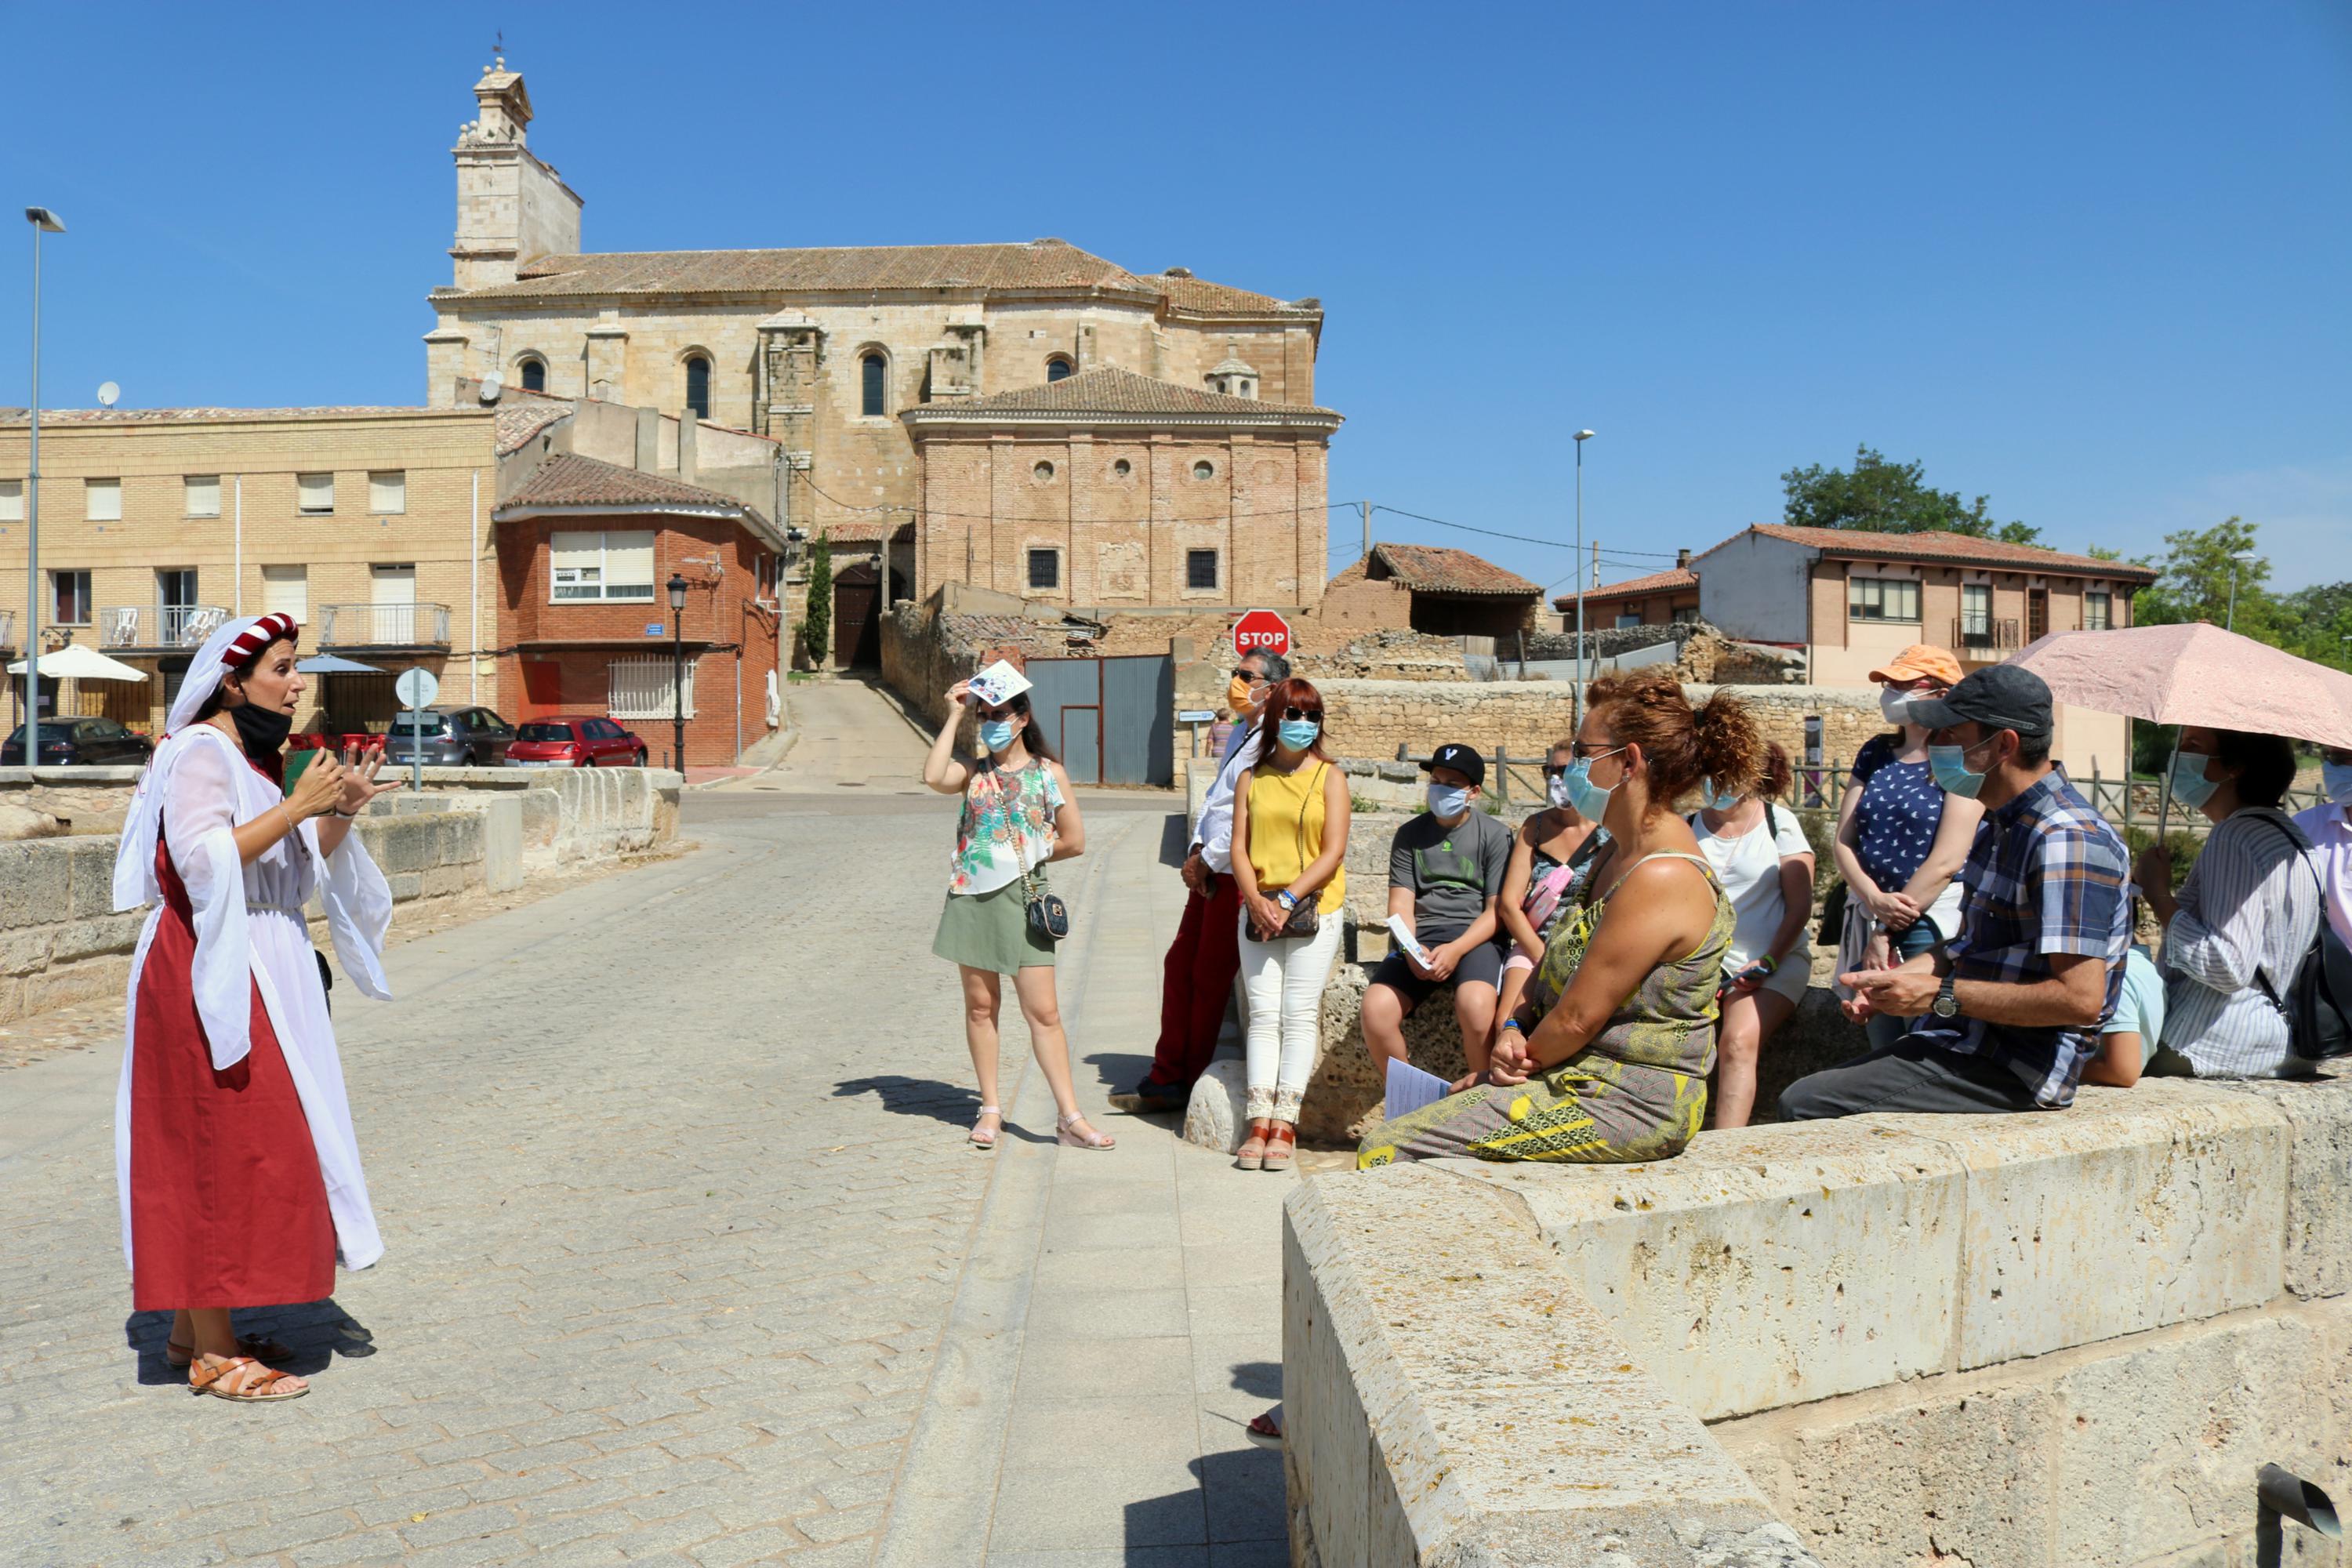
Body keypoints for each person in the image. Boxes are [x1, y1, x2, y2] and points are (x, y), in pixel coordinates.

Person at [111, 612, 402, 1403]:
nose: (297, 681)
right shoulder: (198, 752)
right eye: (283, 667)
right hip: (209, 963)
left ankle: (190, 1331)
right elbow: (201, 860)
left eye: (296, 666)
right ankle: (212, 1352)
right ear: (233, 681)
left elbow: (290, 868)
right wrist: (299, 806)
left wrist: (339, 809)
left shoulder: (253, 759)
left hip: (265, 964)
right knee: (210, 1142)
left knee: (247, 1141)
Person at [1358, 673, 1760, 1167]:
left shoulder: (1663, 875)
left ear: (1629, 762)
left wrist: (1497, 1073)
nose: (1572, 766)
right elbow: (1553, 969)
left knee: (1386, 1148)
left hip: (1625, 1103)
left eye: (1583, 751)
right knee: (1421, 1124)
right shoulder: (1620, 852)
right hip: (1575, 1075)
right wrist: (1511, 1026)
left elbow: (1576, 1018)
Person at [1780, 664, 2131, 1120]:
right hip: (1964, 1041)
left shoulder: (2065, 839)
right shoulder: (1999, 821)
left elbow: (2079, 1000)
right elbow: (1970, 946)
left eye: (1950, 733)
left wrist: (1937, 995)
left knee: (1804, 1103)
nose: (1933, 744)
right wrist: (1904, 976)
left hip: (2014, 1068)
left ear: (2004, 744)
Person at [924, 667, 1113, 1150]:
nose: (990, 723)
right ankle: (990, 1109)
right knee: (981, 1007)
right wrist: (954, 714)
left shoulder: (1049, 774)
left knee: (1044, 1013)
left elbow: (1075, 841)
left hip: (1026, 899)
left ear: (1023, 717)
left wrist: (1026, 851)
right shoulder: (972, 772)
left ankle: (1070, 1117)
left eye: (998, 715)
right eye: (983, 716)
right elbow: (932, 776)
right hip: (971, 898)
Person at [1112, 649, 1285, 1113]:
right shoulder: (1243, 732)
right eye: (1236, 673)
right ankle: (1166, 1074)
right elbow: (1216, 799)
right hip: (1209, 868)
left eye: (1247, 676)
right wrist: (1195, 850)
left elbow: (1250, 811)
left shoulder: (1272, 738)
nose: (1236, 681)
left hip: (1233, 873)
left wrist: (1206, 858)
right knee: (1179, 965)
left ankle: (1187, 1079)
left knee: (1209, 978)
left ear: (1271, 686)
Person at [2136, 728, 2322, 1078]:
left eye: (2193, 746)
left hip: (2214, 1044)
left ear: (2234, 767)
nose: (2179, 753)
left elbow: (2227, 965)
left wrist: (2158, 894)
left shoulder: (2235, 837)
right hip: (2280, 1043)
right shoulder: (2294, 837)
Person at [1831, 644, 1985, 1047]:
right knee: (1882, 1045)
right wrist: (1873, 899)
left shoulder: (1960, 757)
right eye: (1888, 683)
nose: (1892, 691)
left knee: (1925, 1043)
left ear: (1942, 692)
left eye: (1905, 683)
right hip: (1870, 916)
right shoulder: (1876, 751)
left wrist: (1886, 926)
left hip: (1929, 925)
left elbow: (1947, 860)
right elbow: (1843, 841)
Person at [1227, 679, 1351, 1171]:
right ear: (1274, 717)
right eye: (1293, 715)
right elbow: (1238, 844)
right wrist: (1256, 899)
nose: (1303, 725)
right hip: (1258, 909)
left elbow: (1334, 850)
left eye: (1312, 716)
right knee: (1263, 1014)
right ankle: (1258, 1121)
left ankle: (1286, 1124)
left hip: (1313, 907)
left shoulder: (1330, 777)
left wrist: (1286, 897)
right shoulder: (1251, 777)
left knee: (1298, 1013)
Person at [1359, 742, 1516, 1084]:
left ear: (1473, 792)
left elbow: (1495, 911)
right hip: (1423, 937)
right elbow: (1401, 905)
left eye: (1452, 784)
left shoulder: (1495, 835)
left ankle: (1480, 1103)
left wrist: (1457, 949)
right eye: (1436, 780)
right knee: (1376, 1010)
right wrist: (1410, 950)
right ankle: (1410, 1100)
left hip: (1476, 939)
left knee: (1476, 1009)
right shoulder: (1410, 835)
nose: (1440, 789)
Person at [1689, 742, 1816, 1129]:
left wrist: (1769, 960)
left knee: (1738, 1042)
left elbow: (1800, 907)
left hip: (1773, 962)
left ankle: (1727, 1150)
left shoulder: (1780, 824)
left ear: (1750, 776)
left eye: (1724, 773)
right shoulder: (1684, 826)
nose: (1714, 783)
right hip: (1701, 964)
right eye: (1707, 772)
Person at [1490, 743, 1604, 1045]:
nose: (1556, 778)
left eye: (1564, 771)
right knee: (1506, 1023)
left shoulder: (1610, 831)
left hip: (1588, 949)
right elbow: (1509, 905)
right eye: (1550, 771)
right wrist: (1545, 958)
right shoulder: (1535, 827)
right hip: (1535, 945)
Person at [2293, 744, 2352, 951]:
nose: (2328, 766)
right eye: (2326, 756)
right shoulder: (2304, 826)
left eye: (2339, 758)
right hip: (2325, 976)